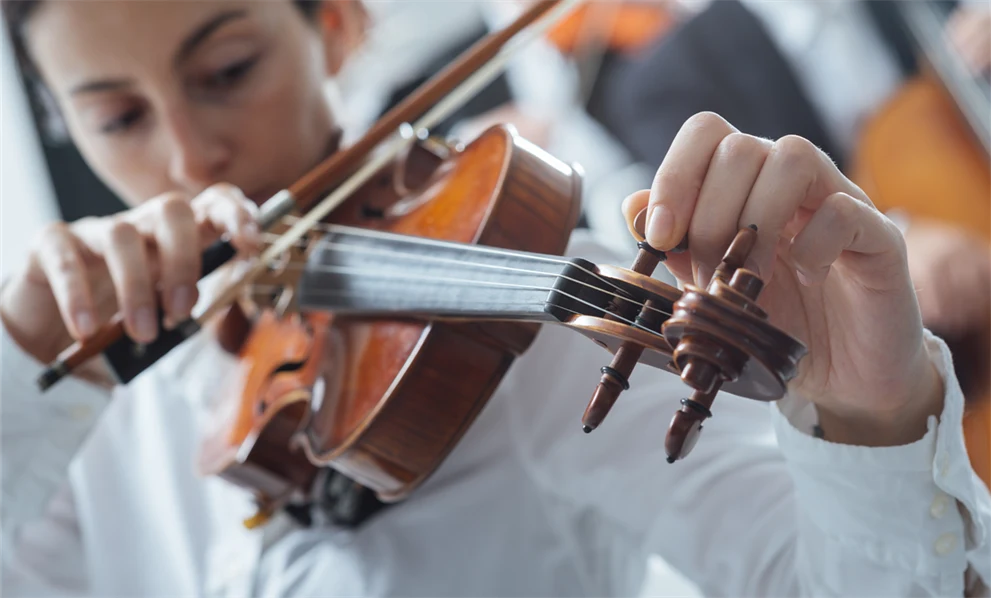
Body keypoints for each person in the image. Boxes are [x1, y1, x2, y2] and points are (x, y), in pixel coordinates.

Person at [0, 1, 988, 597]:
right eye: (118, 117)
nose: (184, 157)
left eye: (227, 71)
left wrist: (868, 418)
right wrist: (16, 367)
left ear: (335, 25)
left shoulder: (514, 318)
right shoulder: (96, 393)